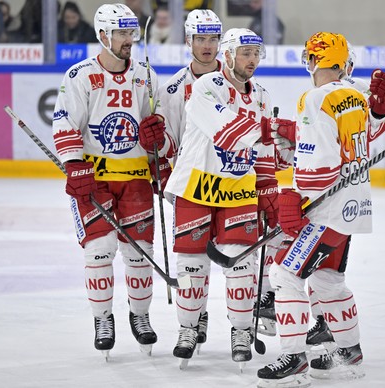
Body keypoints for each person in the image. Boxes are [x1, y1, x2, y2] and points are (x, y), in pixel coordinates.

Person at [256, 32, 385, 387]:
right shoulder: (356, 95)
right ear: (343, 62)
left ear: (314, 60)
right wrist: (379, 110)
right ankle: (349, 351)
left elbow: (317, 164)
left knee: (285, 276)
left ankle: (294, 358)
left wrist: (294, 196)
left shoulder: (314, 98)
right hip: (354, 205)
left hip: (326, 209)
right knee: (328, 280)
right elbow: (370, 135)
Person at [52, 3, 173, 360]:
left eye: (131, 33)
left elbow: (158, 126)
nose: (128, 40)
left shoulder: (146, 75)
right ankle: (102, 318)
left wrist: (158, 145)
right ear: (102, 35)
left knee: (140, 254)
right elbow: (65, 124)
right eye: (121, 33)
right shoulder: (80, 75)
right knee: (99, 251)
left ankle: (140, 316)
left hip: (135, 178)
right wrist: (74, 165)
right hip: (95, 180)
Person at [162, 27, 283, 370]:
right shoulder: (206, 87)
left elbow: (264, 154)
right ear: (228, 55)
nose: (252, 60)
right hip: (196, 186)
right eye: (245, 53)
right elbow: (227, 131)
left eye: (256, 54)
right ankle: (187, 328)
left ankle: (241, 331)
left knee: (241, 265)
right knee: (191, 267)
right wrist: (271, 130)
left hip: (238, 190)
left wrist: (268, 189)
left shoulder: (261, 94)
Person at [154, 9, 224, 355]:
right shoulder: (172, 89)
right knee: (193, 257)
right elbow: (169, 143)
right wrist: (159, 156)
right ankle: (194, 319)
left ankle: (227, 320)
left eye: (213, 38)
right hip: (191, 185)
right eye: (201, 38)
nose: (207, 46)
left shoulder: (235, 81)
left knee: (233, 256)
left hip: (230, 185)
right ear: (188, 40)